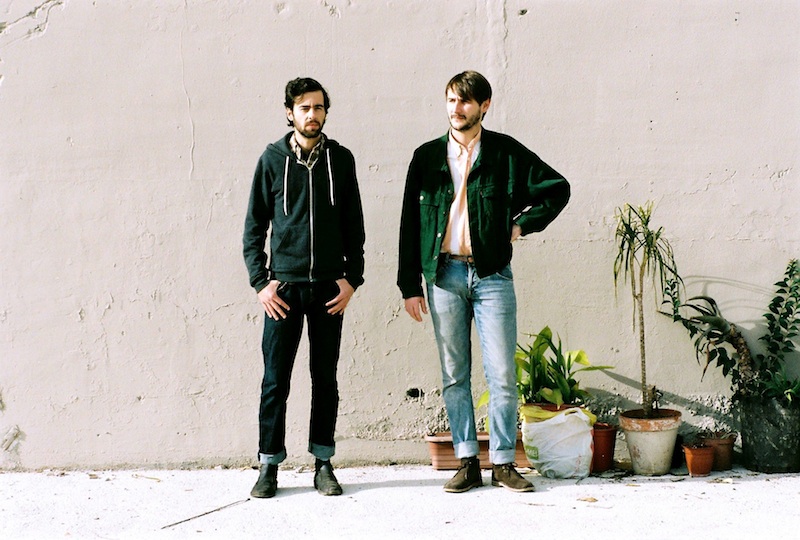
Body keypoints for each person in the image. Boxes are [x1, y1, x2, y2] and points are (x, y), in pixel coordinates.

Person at [397, 71, 570, 493]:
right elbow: (409, 223)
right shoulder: (426, 157)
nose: (456, 109)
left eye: (465, 101)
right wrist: (409, 286)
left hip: (491, 275)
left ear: (484, 106)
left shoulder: (505, 153)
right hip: (443, 276)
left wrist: (521, 225)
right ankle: (467, 461)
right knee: (454, 373)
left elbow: (557, 189)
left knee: (501, 374)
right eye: (451, 100)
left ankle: (505, 463)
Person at [243, 77, 365, 498]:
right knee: (275, 381)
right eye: (304, 108)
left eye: (318, 107)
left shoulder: (341, 160)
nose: (312, 114)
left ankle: (323, 463)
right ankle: (268, 465)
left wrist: (352, 279)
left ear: (325, 112)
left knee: (325, 378)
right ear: (290, 113)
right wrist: (261, 283)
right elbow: (253, 228)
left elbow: (354, 225)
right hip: (284, 292)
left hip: (329, 290)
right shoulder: (271, 160)